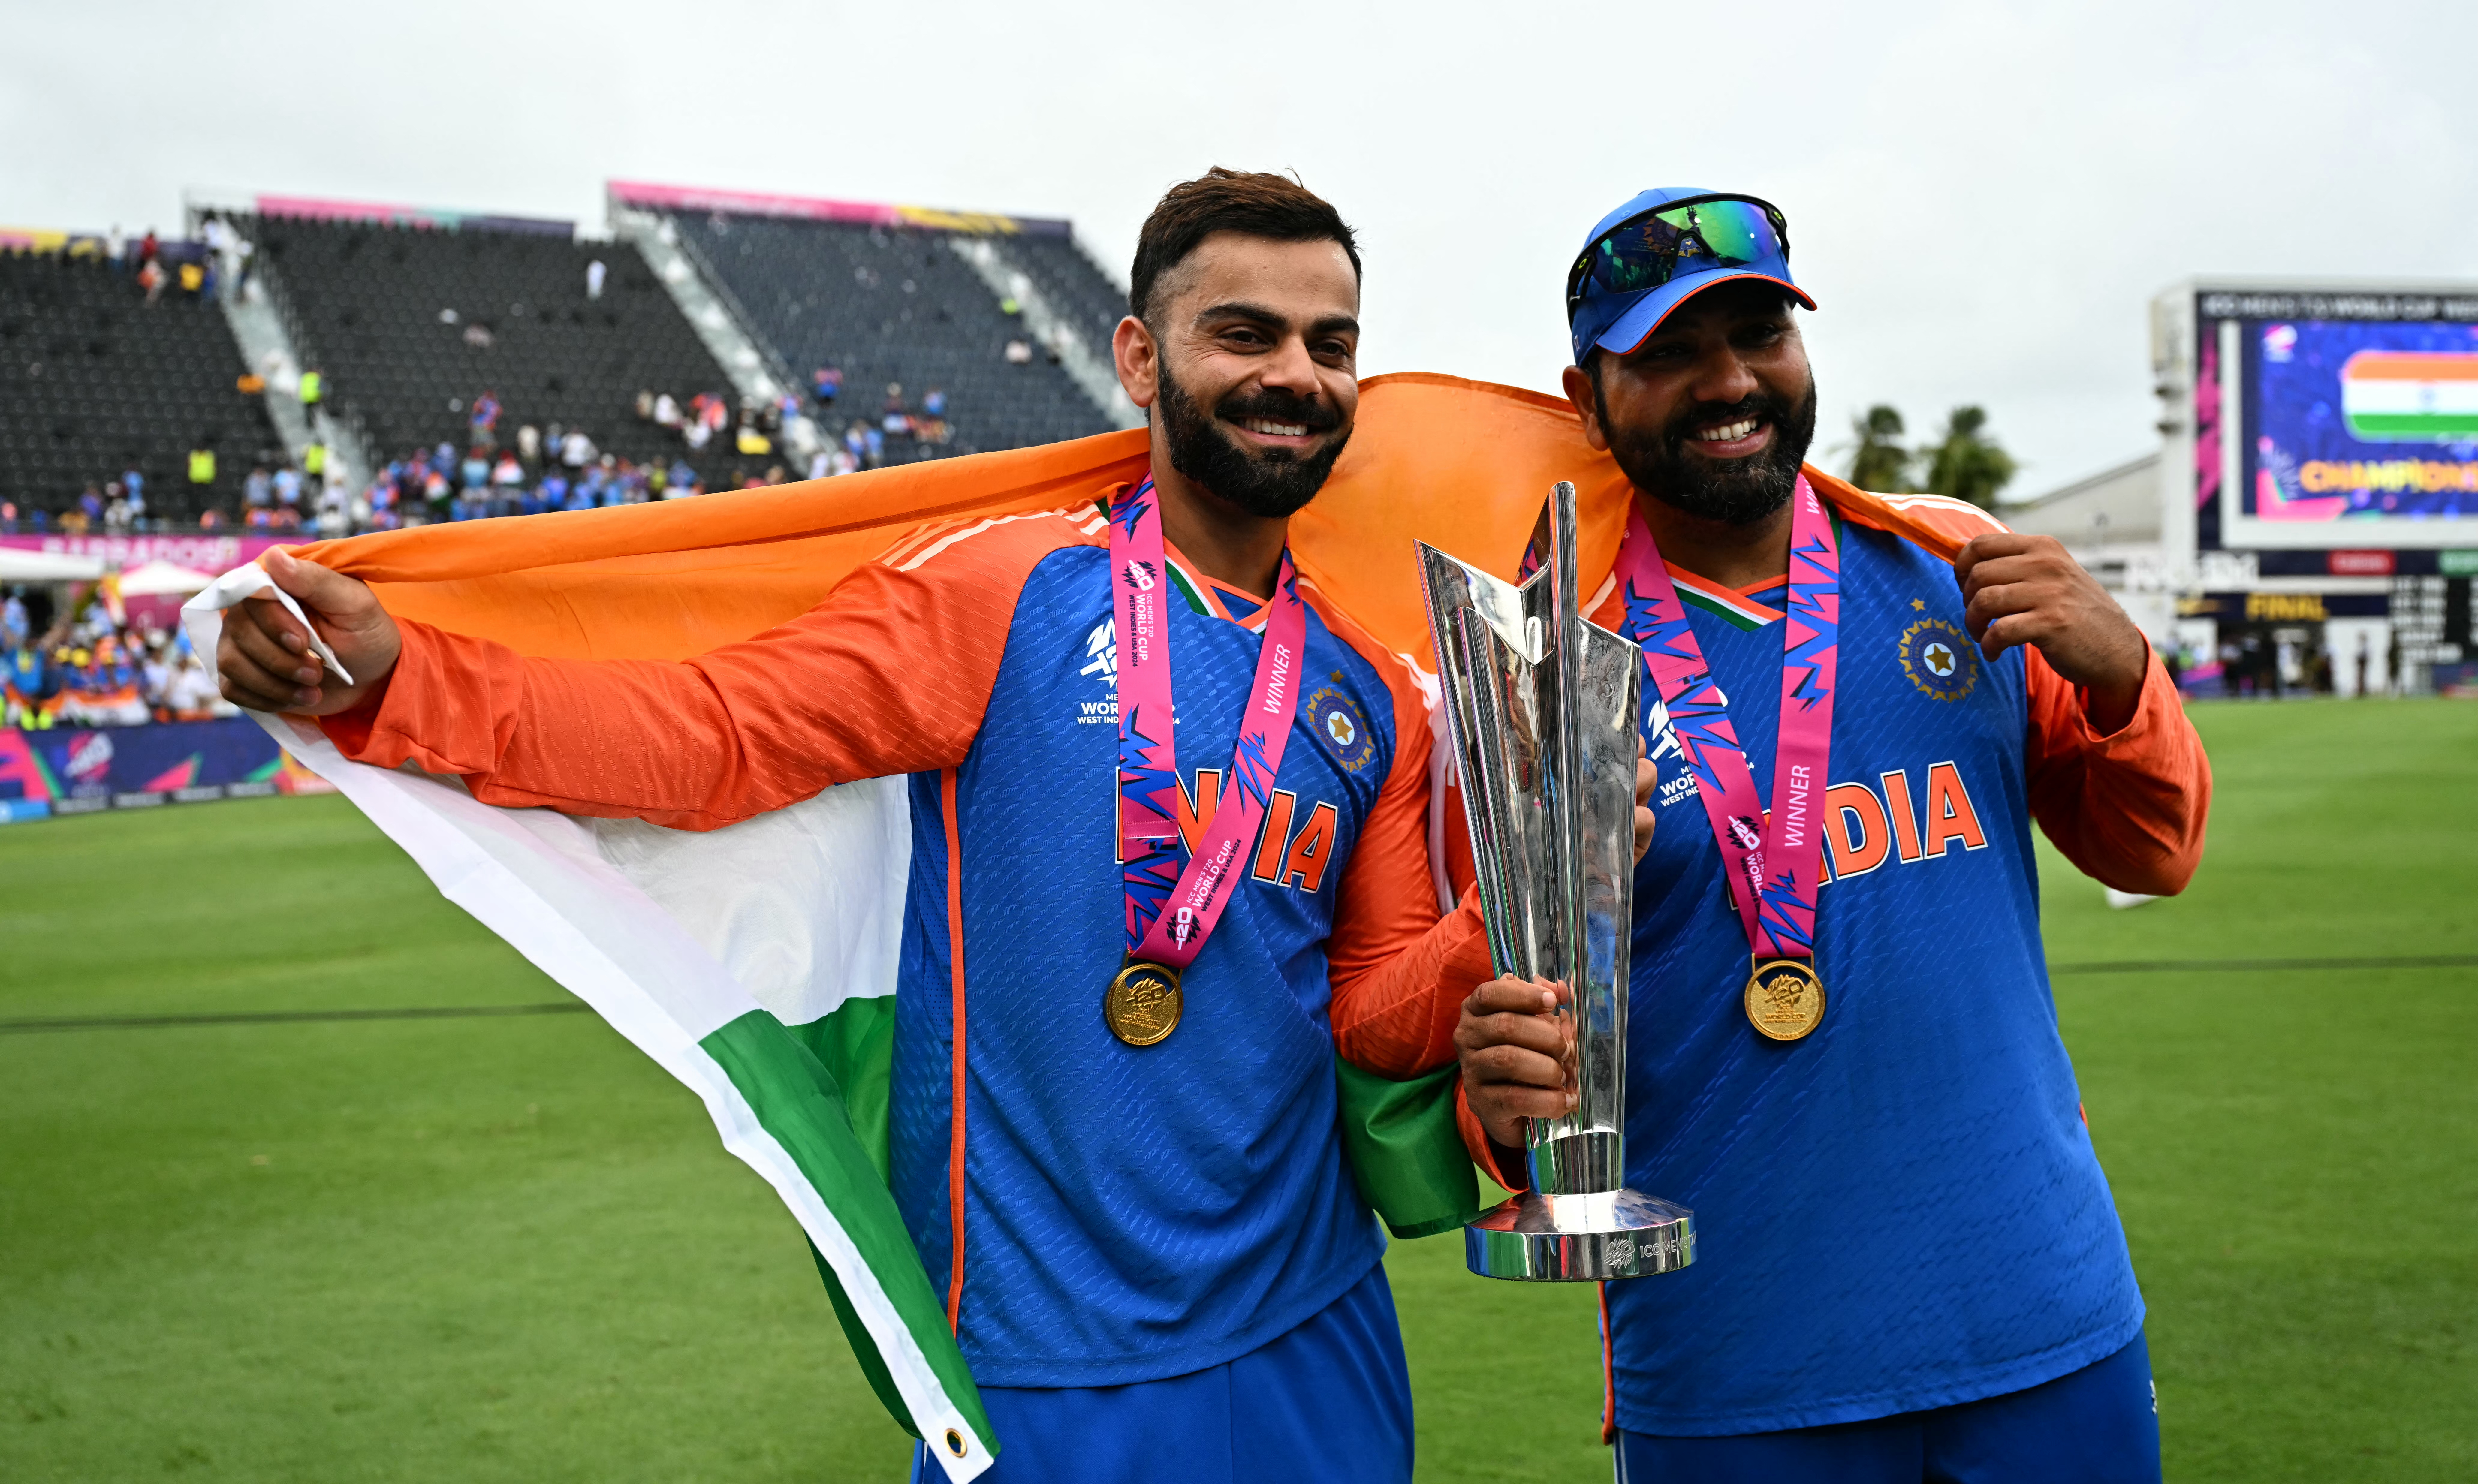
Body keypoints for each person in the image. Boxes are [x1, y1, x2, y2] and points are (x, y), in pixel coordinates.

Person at [215, 168, 1648, 1484]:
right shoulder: (1004, 590)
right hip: (1045, 1357)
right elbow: (713, 739)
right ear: (1141, 358)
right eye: (1246, 332)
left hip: (1316, 1332)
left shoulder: (1365, 691)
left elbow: (1375, 1014)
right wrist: (410, 676)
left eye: (1330, 345)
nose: (1294, 374)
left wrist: (1518, 896)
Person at [1445, 187, 2209, 1482]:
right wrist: (1500, 1086)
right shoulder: (1538, 665)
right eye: (1671, 353)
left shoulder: (1951, 568)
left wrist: (2127, 673)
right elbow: (1508, 1048)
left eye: (1761, 334)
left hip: (2046, 1319)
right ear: (1588, 396)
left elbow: (2156, 849)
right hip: (1739, 1369)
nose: (1730, 379)